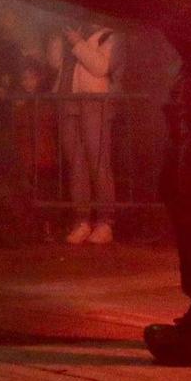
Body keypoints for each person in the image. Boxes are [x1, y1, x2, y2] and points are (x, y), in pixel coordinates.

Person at [51, 23, 120, 243]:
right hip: (70, 101)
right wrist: (58, 41)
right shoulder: (76, 33)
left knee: (98, 163)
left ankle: (105, 222)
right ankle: (82, 221)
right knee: (77, 165)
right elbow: (55, 64)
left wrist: (77, 43)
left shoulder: (110, 36)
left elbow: (100, 67)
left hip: (95, 102)